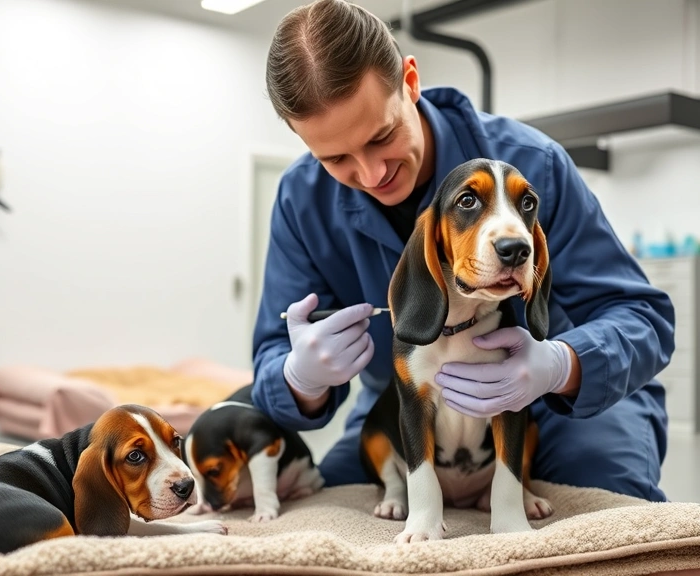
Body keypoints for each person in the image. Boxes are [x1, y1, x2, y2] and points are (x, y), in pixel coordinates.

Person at [250, 0, 675, 503]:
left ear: (410, 82)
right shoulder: (303, 201)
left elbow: (641, 318)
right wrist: (301, 377)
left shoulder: (530, 165)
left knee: (602, 511)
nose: (371, 175)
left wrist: (561, 365)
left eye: (383, 136)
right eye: (336, 158)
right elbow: (273, 355)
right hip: (411, 402)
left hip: (559, 406)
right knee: (331, 502)